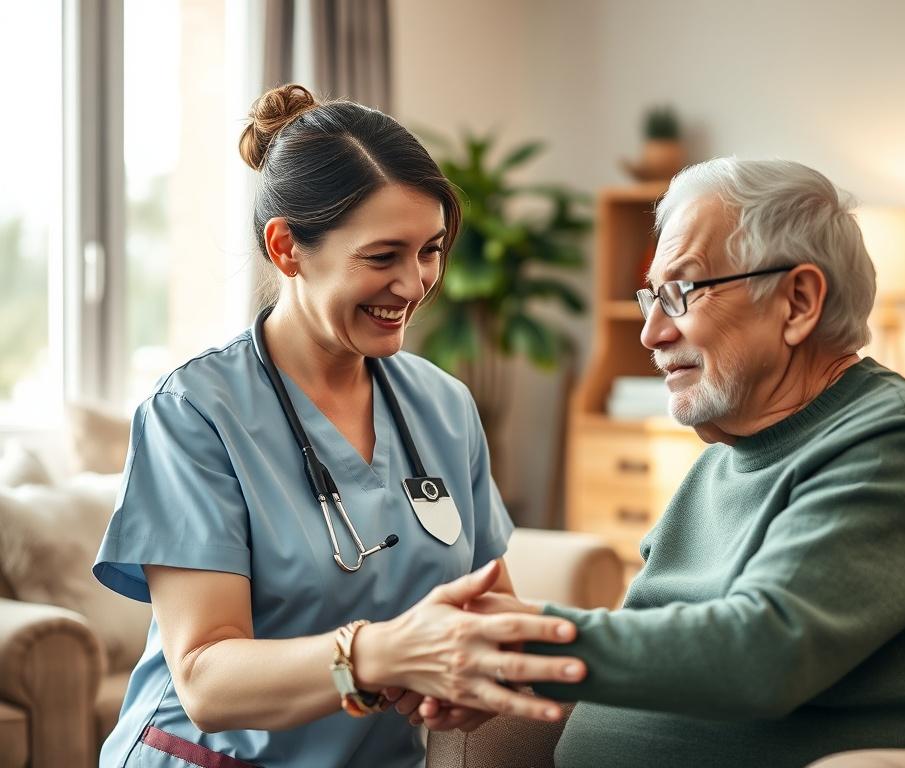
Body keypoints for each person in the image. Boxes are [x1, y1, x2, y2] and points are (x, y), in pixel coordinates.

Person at [435, 158, 905, 767]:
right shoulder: (722, 460)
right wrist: (499, 668)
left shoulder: (897, 436)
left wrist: (520, 640)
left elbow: (765, 655)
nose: (651, 332)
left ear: (798, 301)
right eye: (651, 296)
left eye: (680, 292)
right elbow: (659, 651)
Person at [92, 84, 585, 768]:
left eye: (430, 250)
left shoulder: (444, 407)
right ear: (288, 247)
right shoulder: (195, 412)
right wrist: (381, 655)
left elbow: (487, 608)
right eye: (383, 257)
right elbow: (206, 677)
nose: (414, 285)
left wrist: (485, 674)